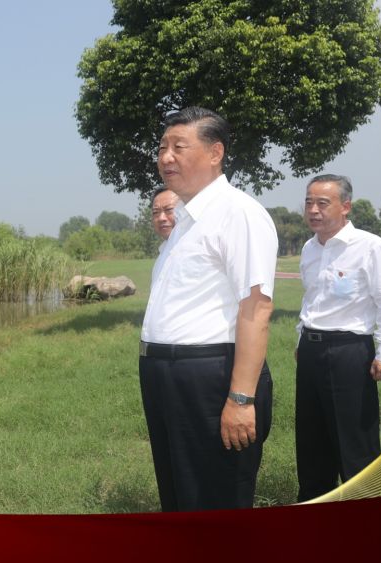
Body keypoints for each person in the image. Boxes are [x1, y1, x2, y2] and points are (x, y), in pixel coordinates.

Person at [139, 107, 277, 511]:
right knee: (178, 492)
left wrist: (241, 398)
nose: (166, 157)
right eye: (162, 147)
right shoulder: (183, 220)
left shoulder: (238, 213)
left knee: (215, 496)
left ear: (215, 153)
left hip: (210, 376)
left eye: (178, 147)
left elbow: (257, 308)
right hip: (165, 375)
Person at [294, 174, 381, 502]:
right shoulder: (309, 248)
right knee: (312, 440)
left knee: (355, 441)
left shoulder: (371, 247)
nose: (313, 210)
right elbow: (311, 299)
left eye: (322, 203)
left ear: (345, 207)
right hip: (311, 350)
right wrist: (301, 340)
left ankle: (364, 514)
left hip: (348, 352)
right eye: (309, 203)